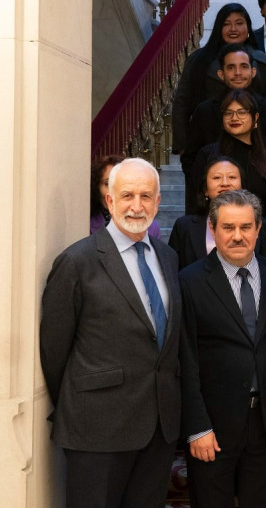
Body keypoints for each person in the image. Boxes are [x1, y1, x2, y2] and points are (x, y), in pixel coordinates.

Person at [40, 158, 182, 508]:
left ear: (158, 201)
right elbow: (54, 351)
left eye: (146, 196)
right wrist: (82, 405)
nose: (137, 206)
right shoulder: (77, 261)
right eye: (128, 195)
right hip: (97, 429)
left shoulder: (167, 256)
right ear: (110, 201)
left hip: (158, 428)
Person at [179, 189, 266, 508]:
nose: (237, 236)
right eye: (228, 228)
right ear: (213, 230)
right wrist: (196, 427)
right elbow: (184, 360)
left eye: (246, 227)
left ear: (258, 229)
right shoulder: (189, 282)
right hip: (212, 429)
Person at [173, 3, 266, 159]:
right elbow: (182, 104)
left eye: (239, 23)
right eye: (226, 24)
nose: (233, 29)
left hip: (255, 146)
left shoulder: (264, 63)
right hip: (208, 143)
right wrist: (183, 148)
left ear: (248, 28)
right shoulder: (199, 60)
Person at [183, 43, 266, 187]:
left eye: (244, 66)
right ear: (221, 74)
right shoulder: (204, 111)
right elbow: (190, 159)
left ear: (253, 72)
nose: (238, 73)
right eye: (231, 67)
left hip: (261, 191)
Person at [191, 89, 266, 215]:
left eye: (242, 112)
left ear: (255, 118)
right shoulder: (207, 155)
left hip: (259, 230)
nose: (234, 118)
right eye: (228, 113)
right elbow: (196, 202)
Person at [169, 156, 243, 270]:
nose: (225, 183)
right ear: (206, 190)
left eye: (232, 177)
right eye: (217, 177)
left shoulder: (258, 226)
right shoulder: (184, 227)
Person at [90, 154, 161, 238]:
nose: (114, 189)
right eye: (108, 183)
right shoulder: (86, 223)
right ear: (97, 186)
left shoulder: (152, 227)